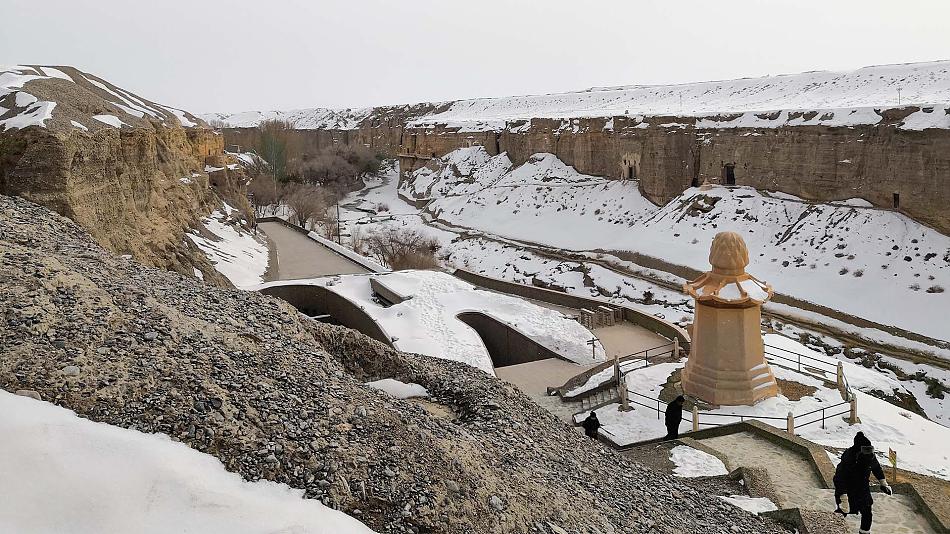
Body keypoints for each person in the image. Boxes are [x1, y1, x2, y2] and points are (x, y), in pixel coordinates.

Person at [833, 432, 892, 534]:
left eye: (870, 449)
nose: (869, 452)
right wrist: (843, 498)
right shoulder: (849, 458)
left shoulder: (870, 456)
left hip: (863, 489)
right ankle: (831, 529)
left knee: (867, 513)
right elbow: (839, 479)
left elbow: (876, 468)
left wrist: (883, 483)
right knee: (842, 512)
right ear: (858, 450)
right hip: (847, 490)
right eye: (865, 450)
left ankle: (864, 532)